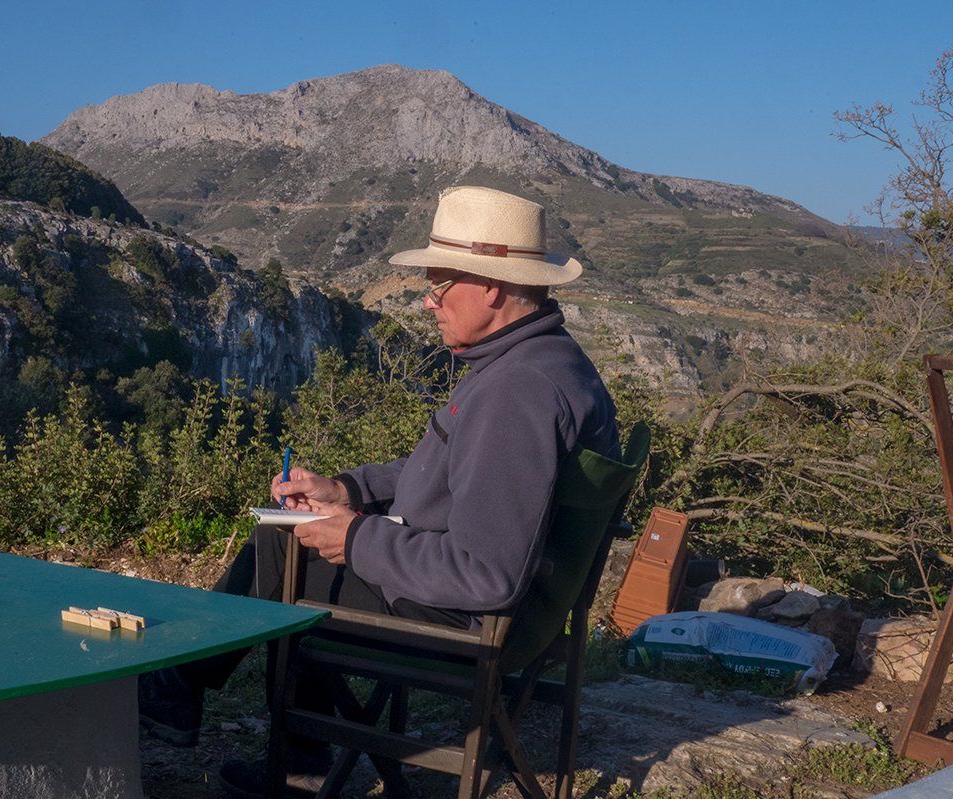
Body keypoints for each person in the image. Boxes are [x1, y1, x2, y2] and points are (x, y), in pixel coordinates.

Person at [139, 185, 621, 798]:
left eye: (439, 285)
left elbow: (486, 574)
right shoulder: (541, 362)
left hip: (471, 624)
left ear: (492, 287)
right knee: (289, 538)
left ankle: (266, 745)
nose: (427, 301)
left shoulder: (516, 394)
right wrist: (346, 489)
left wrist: (356, 538)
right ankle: (216, 708)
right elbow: (445, 470)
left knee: (281, 547)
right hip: (514, 610)